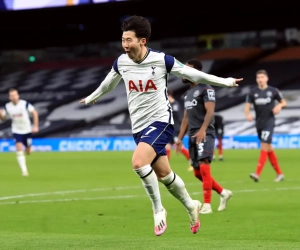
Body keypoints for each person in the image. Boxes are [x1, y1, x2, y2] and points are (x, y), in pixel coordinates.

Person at [79, 16, 242, 236]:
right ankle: (191, 206)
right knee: (165, 175)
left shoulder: (161, 60)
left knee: (138, 163)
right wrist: (91, 97)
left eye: (129, 40)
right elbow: (108, 83)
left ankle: (158, 210)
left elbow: (191, 73)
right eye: (123, 40)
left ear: (142, 41)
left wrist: (225, 81)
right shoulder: (121, 62)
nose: (125, 45)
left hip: (160, 121)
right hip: (138, 126)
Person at [175, 59, 233, 214]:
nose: (184, 72)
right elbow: (186, 118)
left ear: (196, 73)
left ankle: (207, 205)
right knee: (197, 172)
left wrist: (203, 129)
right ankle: (223, 193)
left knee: (204, 165)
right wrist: (180, 139)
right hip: (192, 135)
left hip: (205, 133)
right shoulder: (187, 94)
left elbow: (210, 111)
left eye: (188, 69)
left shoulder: (206, 89)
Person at [244, 69, 286, 182]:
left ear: (266, 78)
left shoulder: (273, 91)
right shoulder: (252, 92)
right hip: (259, 123)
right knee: (269, 148)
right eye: (258, 78)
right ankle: (280, 174)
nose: (260, 79)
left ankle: (257, 174)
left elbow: (284, 102)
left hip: (269, 122)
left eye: (262, 77)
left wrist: (279, 106)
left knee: (264, 146)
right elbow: (247, 107)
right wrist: (247, 114)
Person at [0, 88, 39, 176]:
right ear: (9, 97)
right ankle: (24, 171)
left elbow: (35, 113)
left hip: (27, 129)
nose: (13, 97)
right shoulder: (7, 106)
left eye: (15, 95)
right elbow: (3, 118)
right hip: (16, 130)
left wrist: (36, 126)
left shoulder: (24, 104)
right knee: (19, 147)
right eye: (11, 96)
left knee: (28, 152)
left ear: (18, 96)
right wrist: (0, 115)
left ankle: (29, 147)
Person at [165, 90, 191, 170]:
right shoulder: (170, 104)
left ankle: (192, 162)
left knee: (180, 146)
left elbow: (177, 117)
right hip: (168, 128)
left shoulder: (173, 104)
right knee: (167, 147)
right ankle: (166, 167)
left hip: (175, 129)